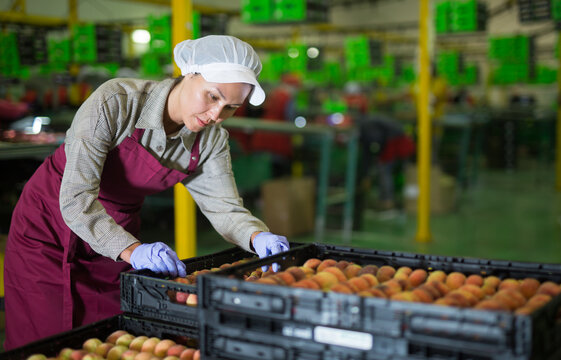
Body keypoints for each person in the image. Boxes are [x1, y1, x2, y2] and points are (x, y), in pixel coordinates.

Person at [4, 35, 289, 350]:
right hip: (49, 226)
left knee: (111, 338)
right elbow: (75, 200)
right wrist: (133, 251)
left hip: (116, 234)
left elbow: (225, 210)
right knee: (46, 338)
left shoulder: (210, 141)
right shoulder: (116, 102)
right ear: (189, 73)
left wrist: (255, 236)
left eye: (230, 107)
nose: (215, 115)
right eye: (212, 96)